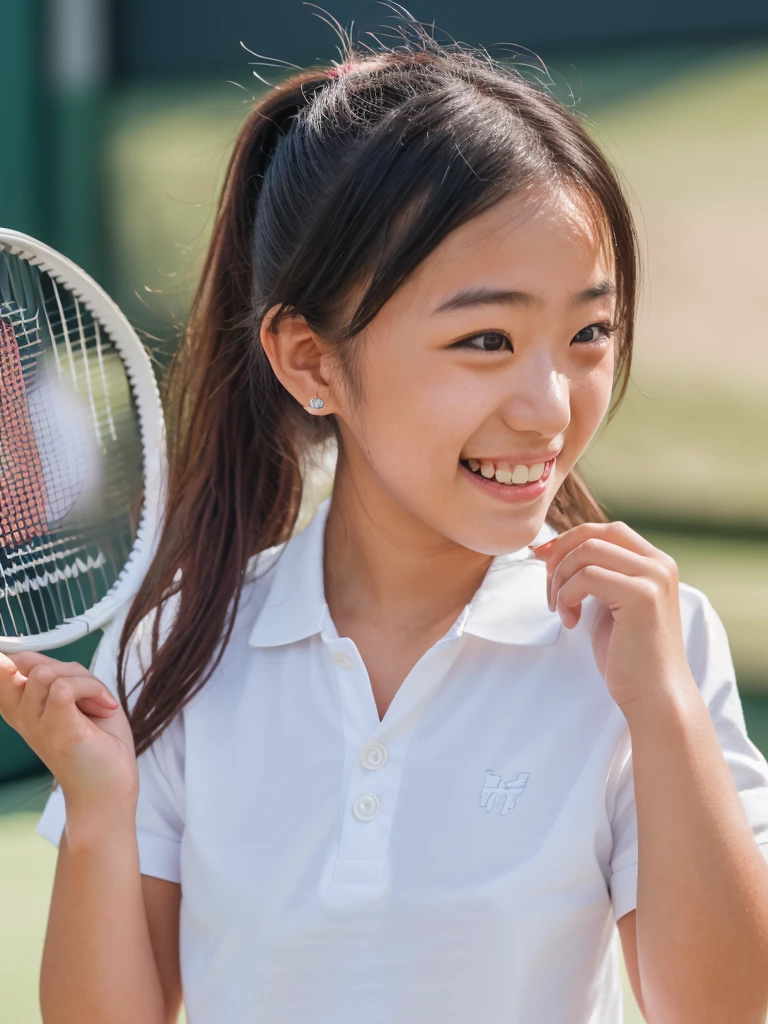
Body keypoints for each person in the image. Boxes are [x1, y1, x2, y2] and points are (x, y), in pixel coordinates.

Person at [2, 23, 768, 1024]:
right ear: (311, 361)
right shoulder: (177, 647)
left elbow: (726, 1010)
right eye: (485, 339)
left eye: (589, 332)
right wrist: (101, 811)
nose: (549, 403)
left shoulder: (650, 644)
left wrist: (662, 710)